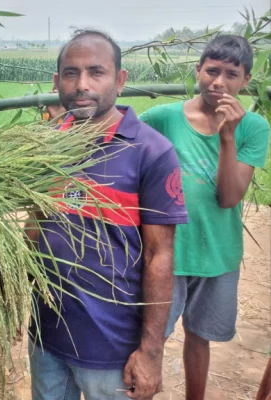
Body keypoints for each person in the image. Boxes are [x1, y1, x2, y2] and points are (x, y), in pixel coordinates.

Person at [25, 29, 189, 400]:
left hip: (112, 350)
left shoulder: (151, 152)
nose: (81, 84)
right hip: (47, 338)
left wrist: (150, 352)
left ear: (120, 79)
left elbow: (159, 255)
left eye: (95, 72)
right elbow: (34, 225)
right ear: (57, 81)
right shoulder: (43, 145)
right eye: (71, 73)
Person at [139, 35, 270, 400]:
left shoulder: (254, 128)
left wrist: (227, 137)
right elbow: (126, 154)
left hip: (217, 254)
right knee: (150, 336)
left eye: (232, 74)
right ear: (197, 71)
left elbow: (228, 197)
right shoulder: (162, 118)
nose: (219, 82)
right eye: (212, 71)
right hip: (166, 254)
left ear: (246, 80)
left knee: (199, 338)